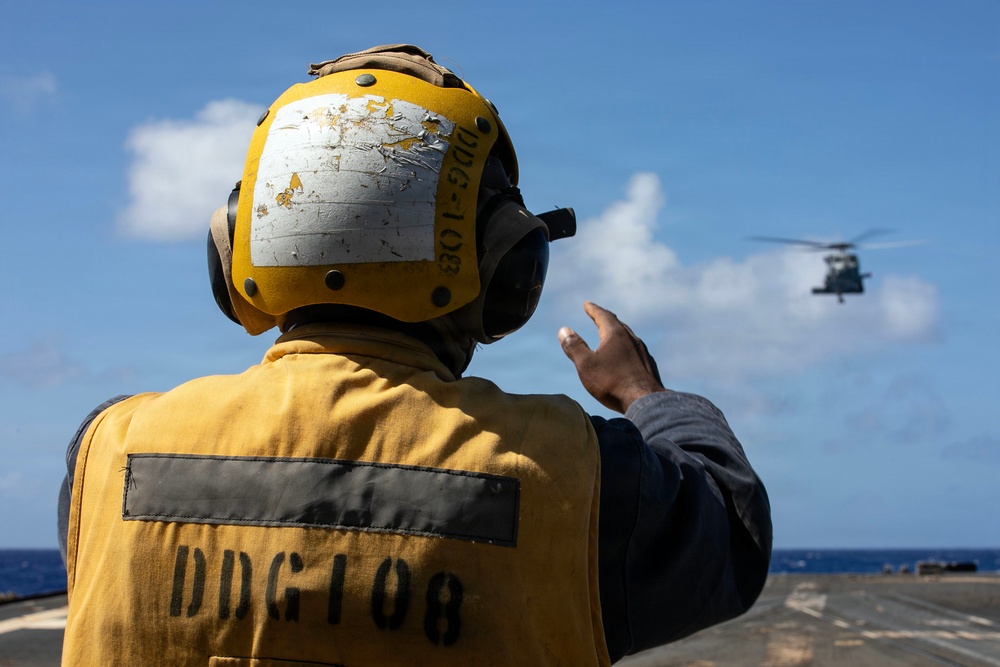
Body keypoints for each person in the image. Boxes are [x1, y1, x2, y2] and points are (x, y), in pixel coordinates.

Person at [58, 44, 771, 666]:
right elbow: (732, 533)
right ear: (505, 269)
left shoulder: (103, 456)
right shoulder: (579, 477)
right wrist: (644, 392)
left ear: (238, 248)